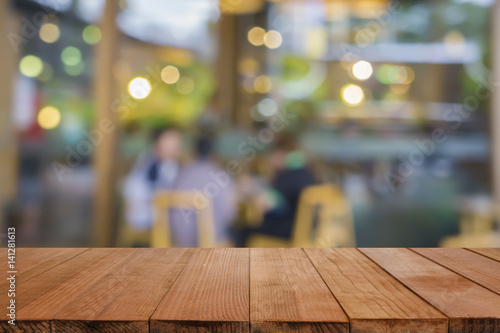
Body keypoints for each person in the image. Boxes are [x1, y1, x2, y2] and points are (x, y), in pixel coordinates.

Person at [239, 135, 316, 245]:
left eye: (272, 153)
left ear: (281, 154)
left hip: (289, 231)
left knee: (245, 230)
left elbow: (266, 204)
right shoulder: (305, 173)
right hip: (309, 232)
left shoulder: (288, 176)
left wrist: (250, 190)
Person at [169, 135, 237, 247]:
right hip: (212, 245)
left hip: (178, 243)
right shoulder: (221, 176)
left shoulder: (181, 175)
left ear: (194, 153)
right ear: (214, 154)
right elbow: (230, 215)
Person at [123, 127, 182, 231]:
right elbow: (134, 201)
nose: (175, 146)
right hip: (144, 221)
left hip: (160, 218)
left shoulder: (169, 164)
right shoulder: (147, 164)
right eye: (170, 141)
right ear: (158, 143)